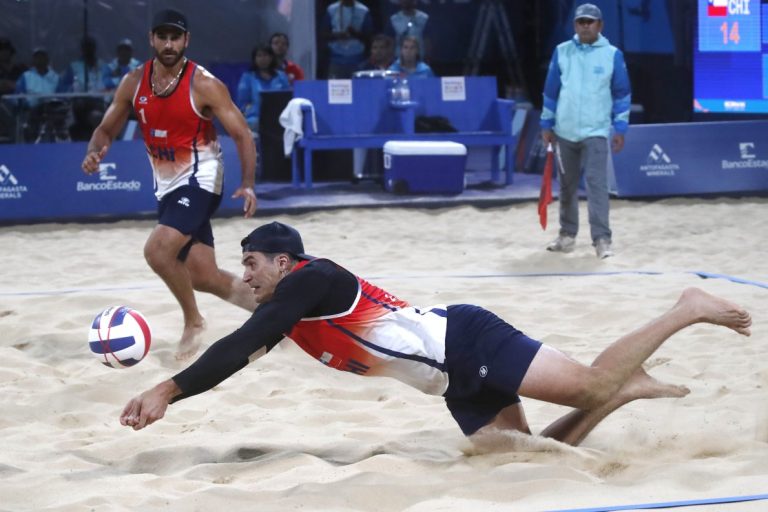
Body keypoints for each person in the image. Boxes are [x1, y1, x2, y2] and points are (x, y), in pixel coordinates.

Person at [119, 221, 752, 446]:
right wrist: (182, 270)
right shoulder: (292, 302)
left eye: (253, 263)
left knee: (586, 388)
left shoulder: (309, 281)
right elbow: (230, 317)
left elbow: (237, 348)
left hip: (466, 340)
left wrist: (167, 390)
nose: (247, 275)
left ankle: (685, 308)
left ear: (284, 262)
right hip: (447, 378)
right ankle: (621, 393)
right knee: (520, 458)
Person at [80, 9, 259, 360]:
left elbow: (241, 133)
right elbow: (105, 129)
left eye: (175, 37)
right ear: (152, 39)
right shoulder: (134, 82)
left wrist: (249, 183)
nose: (168, 43)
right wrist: (94, 151)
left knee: (157, 251)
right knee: (204, 276)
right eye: (162, 37)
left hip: (201, 178)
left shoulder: (204, 84)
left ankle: (193, 321)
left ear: (186, 41)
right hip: (166, 184)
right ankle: (273, 312)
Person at [540, 3, 631, 260]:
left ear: (600, 25)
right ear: (575, 25)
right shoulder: (562, 52)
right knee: (567, 186)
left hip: (596, 131)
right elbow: (550, 91)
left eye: (590, 22)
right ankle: (567, 235)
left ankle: (602, 239)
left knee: (597, 186)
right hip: (564, 131)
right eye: (581, 22)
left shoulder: (612, 54)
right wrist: (546, 124)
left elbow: (622, 94)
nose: (585, 25)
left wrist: (621, 127)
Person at [14, 47, 70, 143]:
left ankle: (56, 141)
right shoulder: (26, 76)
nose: (40, 59)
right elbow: (18, 95)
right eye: (37, 57)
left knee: (56, 114)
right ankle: (31, 143)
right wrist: (25, 104)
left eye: (42, 56)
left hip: (52, 108)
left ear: (47, 59)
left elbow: (61, 96)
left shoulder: (55, 77)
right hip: (32, 107)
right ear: (33, 60)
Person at [59, 36, 108, 140]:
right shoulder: (74, 66)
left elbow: (109, 84)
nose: (88, 49)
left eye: (90, 46)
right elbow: (62, 88)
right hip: (80, 106)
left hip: (100, 103)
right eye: (86, 47)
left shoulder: (103, 66)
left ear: (94, 48)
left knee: (101, 116)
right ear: (82, 49)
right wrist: (73, 88)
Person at [236, 44, 291, 133]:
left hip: (280, 117)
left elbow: (288, 98)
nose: (262, 59)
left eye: (265, 55)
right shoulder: (247, 77)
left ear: (271, 57)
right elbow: (242, 104)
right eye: (259, 56)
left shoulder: (281, 76)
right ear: (254, 59)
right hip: (255, 118)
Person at [322, 0, 374, 78]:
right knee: (336, 88)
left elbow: (370, 37)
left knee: (358, 87)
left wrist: (356, 34)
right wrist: (338, 35)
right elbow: (323, 34)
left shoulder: (363, 11)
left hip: (358, 58)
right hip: (336, 58)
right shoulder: (332, 9)